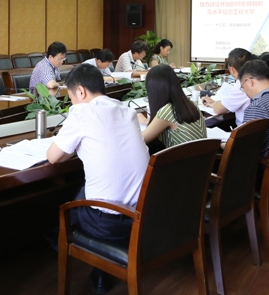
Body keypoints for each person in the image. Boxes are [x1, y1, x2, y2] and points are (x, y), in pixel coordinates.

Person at [46, 64, 149, 294]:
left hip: (108, 225)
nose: (72, 103)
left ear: (81, 91)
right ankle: (96, 268)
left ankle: (64, 241)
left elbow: (53, 157)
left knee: (80, 195)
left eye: (71, 97)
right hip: (143, 215)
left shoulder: (82, 113)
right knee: (90, 186)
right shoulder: (126, 110)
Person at [142, 64, 205, 147]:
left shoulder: (167, 111)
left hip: (184, 155)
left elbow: (140, 140)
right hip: (202, 154)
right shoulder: (190, 104)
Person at [200, 48, 253, 125]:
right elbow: (229, 103)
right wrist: (214, 102)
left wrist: (213, 104)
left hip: (244, 129)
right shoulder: (258, 78)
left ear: (232, 69)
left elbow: (219, 110)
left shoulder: (242, 84)